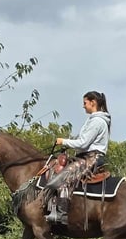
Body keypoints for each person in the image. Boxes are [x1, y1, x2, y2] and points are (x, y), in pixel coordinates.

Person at [45, 90, 111, 224]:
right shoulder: (93, 120)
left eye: (85, 103)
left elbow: (83, 143)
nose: (83, 106)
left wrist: (63, 141)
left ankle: (62, 214)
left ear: (93, 103)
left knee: (63, 176)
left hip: (92, 158)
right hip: (86, 156)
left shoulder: (97, 121)